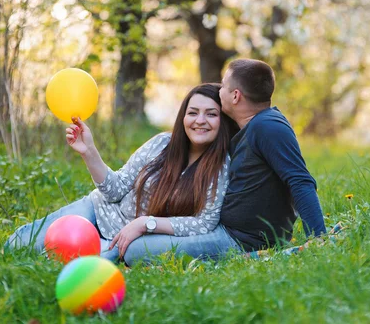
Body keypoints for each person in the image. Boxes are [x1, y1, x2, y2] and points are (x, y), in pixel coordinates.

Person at [122, 59, 326, 265]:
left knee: (135, 251)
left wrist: (318, 237)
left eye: (223, 86)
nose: (219, 91)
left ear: (235, 96)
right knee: (139, 241)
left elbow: (300, 181)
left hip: (238, 241)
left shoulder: (268, 127)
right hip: (226, 231)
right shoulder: (254, 127)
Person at [5, 83, 238, 261]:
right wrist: (89, 151)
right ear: (183, 117)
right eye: (193, 112)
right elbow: (115, 189)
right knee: (17, 246)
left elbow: (204, 223)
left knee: (64, 263)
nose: (200, 121)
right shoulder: (161, 143)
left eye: (211, 114)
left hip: (125, 239)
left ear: (223, 121)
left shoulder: (221, 166)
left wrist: (146, 224)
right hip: (97, 211)